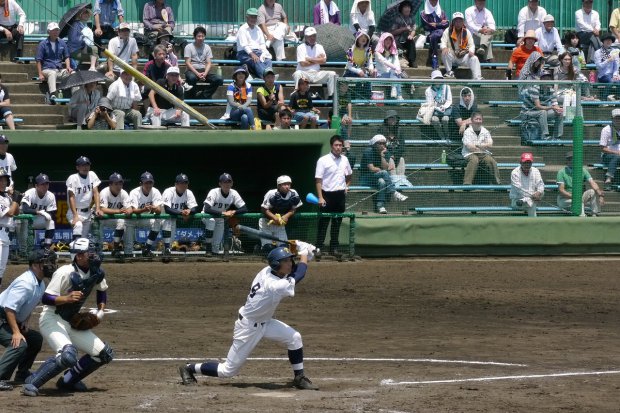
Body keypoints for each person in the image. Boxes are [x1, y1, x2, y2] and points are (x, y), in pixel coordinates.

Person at [178, 245, 319, 390]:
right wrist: (304, 255)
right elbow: (299, 274)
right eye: (286, 261)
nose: (290, 263)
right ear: (277, 265)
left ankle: (299, 377)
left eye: (290, 260)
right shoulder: (275, 285)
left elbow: (292, 272)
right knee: (227, 370)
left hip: (265, 322)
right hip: (248, 327)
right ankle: (189, 368)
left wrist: (304, 256)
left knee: (294, 338)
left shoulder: (267, 271)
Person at [22, 238, 113, 397]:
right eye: (89, 253)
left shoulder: (96, 270)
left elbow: (101, 289)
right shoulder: (64, 272)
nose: (94, 255)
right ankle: (32, 382)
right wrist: (66, 298)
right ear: (78, 256)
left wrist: (101, 311)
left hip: (71, 321)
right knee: (68, 355)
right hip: (52, 319)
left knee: (103, 354)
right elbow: (46, 298)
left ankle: (68, 381)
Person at [0, 249, 57, 391]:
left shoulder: (40, 283)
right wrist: (16, 332)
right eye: (47, 262)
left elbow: (31, 304)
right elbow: (9, 309)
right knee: (19, 344)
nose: (51, 265)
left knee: (35, 339)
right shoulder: (25, 283)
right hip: (2, 317)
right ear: (35, 265)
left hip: (8, 318)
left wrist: (25, 320)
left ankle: (22, 374)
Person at [315, 135, 352, 256]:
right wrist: (320, 197)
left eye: (340, 145)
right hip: (326, 195)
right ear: (331, 146)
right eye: (336, 145)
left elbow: (349, 175)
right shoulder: (323, 160)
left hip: (340, 195)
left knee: (337, 224)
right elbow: (318, 180)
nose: (338, 147)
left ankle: (334, 249)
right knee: (323, 223)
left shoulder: (345, 160)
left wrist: (347, 186)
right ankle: (318, 248)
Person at [519, 54, 563, 140]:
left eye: (549, 78)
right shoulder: (535, 89)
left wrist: (558, 108)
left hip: (540, 112)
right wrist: (552, 107)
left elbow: (555, 103)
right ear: (541, 79)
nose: (547, 80)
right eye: (545, 78)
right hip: (528, 112)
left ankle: (557, 136)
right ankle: (545, 136)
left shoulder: (551, 90)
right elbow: (538, 106)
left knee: (559, 113)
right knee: (542, 112)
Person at [202, 173, 247, 255]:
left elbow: (244, 208)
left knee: (216, 244)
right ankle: (208, 248)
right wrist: (223, 213)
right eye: (224, 182)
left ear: (232, 183)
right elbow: (207, 209)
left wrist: (234, 212)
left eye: (229, 181)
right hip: (207, 215)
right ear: (220, 184)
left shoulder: (233, 193)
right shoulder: (214, 192)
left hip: (220, 217)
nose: (227, 184)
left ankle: (213, 255)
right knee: (211, 222)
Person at [361, 134, 408, 214]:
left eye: (383, 143)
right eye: (380, 143)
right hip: (366, 177)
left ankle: (380, 206)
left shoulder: (384, 152)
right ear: (374, 144)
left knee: (382, 181)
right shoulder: (368, 151)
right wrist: (379, 169)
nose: (382, 145)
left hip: (378, 177)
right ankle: (393, 192)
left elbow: (387, 167)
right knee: (383, 173)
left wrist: (382, 156)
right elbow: (371, 169)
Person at [160, 174, 199, 261]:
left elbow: (195, 208)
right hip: (161, 216)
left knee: (171, 237)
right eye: (181, 183)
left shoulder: (188, 192)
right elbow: (167, 209)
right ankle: (149, 250)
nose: (183, 185)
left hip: (174, 216)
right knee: (163, 226)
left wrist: (189, 211)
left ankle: (166, 252)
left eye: (185, 182)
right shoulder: (169, 191)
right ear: (176, 184)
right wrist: (181, 212)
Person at [258, 176, 302, 254]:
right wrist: (274, 217)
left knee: (283, 248)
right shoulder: (271, 193)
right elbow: (264, 209)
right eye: (284, 184)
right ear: (278, 185)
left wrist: (286, 216)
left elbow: (294, 208)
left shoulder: (293, 193)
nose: (287, 186)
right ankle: (259, 250)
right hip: (266, 222)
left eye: (288, 184)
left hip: (280, 224)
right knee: (268, 248)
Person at [293, 26, 337, 100]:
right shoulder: (300, 47)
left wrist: (310, 59)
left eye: (314, 36)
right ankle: (297, 94)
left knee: (332, 74)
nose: (312, 38)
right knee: (297, 73)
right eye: (310, 36)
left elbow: (324, 61)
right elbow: (302, 64)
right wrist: (317, 60)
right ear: (306, 37)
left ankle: (331, 96)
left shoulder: (320, 46)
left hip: (317, 73)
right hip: (304, 73)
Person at [66, 156, 102, 240]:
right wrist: (75, 215)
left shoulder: (92, 175)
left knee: (83, 239)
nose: (85, 167)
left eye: (87, 165)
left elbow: (96, 193)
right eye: (82, 165)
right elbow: (71, 197)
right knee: (78, 226)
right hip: (74, 211)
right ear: (77, 167)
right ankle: (75, 251)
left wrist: (97, 208)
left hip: (87, 211)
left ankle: (77, 251)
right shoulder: (72, 178)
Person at [557, 151, 604, 216]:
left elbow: (592, 183)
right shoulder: (561, 172)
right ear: (567, 161)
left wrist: (600, 195)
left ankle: (595, 214)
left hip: (579, 197)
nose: (572, 160)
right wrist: (574, 197)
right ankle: (582, 218)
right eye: (569, 159)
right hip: (564, 199)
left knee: (592, 191)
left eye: (574, 159)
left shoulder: (583, 170)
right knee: (578, 202)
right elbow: (561, 190)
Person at [18, 173, 56, 252]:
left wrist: (47, 215)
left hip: (37, 220)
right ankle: (23, 251)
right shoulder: (30, 192)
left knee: (51, 222)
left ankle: (46, 248)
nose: (45, 186)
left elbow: (51, 213)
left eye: (47, 184)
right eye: (42, 184)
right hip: (23, 219)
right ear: (36, 185)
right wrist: (39, 212)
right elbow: (25, 209)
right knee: (23, 222)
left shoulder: (51, 196)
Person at [35, 22, 72, 104]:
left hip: (59, 70)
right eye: (53, 30)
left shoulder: (62, 42)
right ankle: (53, 94)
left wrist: (68, 66)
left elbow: (66, 56)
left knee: (73, 73)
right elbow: (38, 60)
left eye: (57, 30)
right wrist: (40, 74)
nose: (56, 32)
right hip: (46, 69)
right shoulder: (43, 44)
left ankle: (76, 94)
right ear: (49, 32)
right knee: (52, 73)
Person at [183, 26, 223, 99]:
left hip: (204, 71)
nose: (201, 38)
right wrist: (197, 74)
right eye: (199, 36)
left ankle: (203, 96)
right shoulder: (188, 47)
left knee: (218, 79)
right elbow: (188, 63)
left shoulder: (207, 47)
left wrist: (205, 73)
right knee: (191, 78)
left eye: (203, 36)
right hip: (192, 70)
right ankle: (192, 97)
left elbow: (208, 63)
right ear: (194, 37)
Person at [440, 12, 482, 80]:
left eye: (460, 21)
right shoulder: (447, 31)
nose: (458, 23)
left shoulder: (467, 32)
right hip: (452, 55)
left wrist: (471, 51)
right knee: (445, 52)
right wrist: (444, 48)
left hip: (463, 56)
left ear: (463, 22)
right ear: (453, 22)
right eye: (456, 21)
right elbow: (443, 42)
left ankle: (477, 78)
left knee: (474, 58)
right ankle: (449, 72)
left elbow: (471, 45)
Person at [98, 172, 131, 259]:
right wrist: (118, 211)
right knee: (99, 235)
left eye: (120, 183)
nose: (118, 186)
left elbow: (129, 208)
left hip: (113, 217)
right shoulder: (104, 192)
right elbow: (102, 209)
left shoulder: (123, 193)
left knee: (121, 222)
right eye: (116, 184)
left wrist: (129, 211)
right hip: (100, 218)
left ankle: (115, 249)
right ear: (110, 184)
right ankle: (98, 252)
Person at [461, 112, 500, 185]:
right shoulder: (467, 132)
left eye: (480, 119)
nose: (478, 121)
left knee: (491, 161)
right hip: (469, 153)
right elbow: (470, 148)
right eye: (476, 119)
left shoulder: (485, 131)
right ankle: (467, 183)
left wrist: (477, 145)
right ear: (472, 120)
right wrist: (483, 146)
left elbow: (490, 145)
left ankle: (497, 183)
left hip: (483, 153)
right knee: (474, 160)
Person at [237, 8, 273, 79]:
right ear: (247, 17)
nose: (253, 19)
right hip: (244, 53)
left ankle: (268, 76)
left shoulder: (258, 29)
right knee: (256, 60)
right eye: (252, 17)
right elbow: (244, 45)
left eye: (255, 17)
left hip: (258, 51)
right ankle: (267, 77)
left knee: (268, 60)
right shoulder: (242, 29)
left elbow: (262, 44)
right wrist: (252, 54)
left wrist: (265, 53)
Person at [0, 169, 20, 286]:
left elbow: (16, 212)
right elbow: (11, 213)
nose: (2, 183)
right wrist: (16, 200)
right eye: (0, 180)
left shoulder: (7, 197)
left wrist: (16, 200)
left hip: (6, 235)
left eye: (4, 180)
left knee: (1, 270)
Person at [510, 152, 544, 217]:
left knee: (541, 192)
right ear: (520, 162)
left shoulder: (535, 170)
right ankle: (534, 223)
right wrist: (533, 196)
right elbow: (519, 190)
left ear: (531, 163)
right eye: (525, 162)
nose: (527, 165)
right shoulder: (515, 172)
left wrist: (538, 192)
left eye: (529, 162)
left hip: (532, 198)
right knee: (531, 205)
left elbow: (541, 185)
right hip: (517, 200)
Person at [66, 5, 98, 71]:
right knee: (95, 53)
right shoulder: (75, 24)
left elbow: (88, 41)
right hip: (74, 51)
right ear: (80, 14)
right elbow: (73, 40)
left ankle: (93, 68)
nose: (87, 14)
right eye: (85, 13)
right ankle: (92, 68)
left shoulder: (84, 24)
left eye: (88, 13)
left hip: (82, 49)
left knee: (95, 51)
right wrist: (83, 36)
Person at [375, 32, 404, 100]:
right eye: (386, 39)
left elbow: (397, 63)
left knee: (396, 73)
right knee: (395, 72)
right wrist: (395, 68)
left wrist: (398, 69)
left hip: (392, 74)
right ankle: (399, 95)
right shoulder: (377, 52)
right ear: (383, 40)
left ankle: (397, 92)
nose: (388, 41)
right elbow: (384, 62)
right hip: (381, 75)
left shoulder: (394, 52)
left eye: (390, 40)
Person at [389, 0, 417, 68]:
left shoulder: (411, 17)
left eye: (409, 7)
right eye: (405, 7)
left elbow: (414, 29)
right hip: (397, 40)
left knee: (411, 42)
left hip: (406, 39)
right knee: (396, 43)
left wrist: (411, 35)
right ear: (401, 9)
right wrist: (403, 29)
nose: (407, 9)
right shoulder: (397, 18)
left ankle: (412, 61)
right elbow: (392, 32)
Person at [420, 0, 448, 68]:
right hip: (430, 35)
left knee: (439, 33)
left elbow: (447, 23)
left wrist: (436, 24)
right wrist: (440, 24)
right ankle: (434, 57)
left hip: (441, 35)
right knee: (434, 35)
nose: (433, 3)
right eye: (431, 1)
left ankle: (434, 57)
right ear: (428, 1)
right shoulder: (423, 13)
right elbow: (426, 26)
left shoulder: (442, 12)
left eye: (435, 1)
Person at [425, 70, 452, 140]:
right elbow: (430, 103)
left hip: (445, 110)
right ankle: (442, 136)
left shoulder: (447, 87)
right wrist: (438, 108)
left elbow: (449, 100)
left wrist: (444, 107)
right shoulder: (428, 90)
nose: (438, 80)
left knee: (445, 119)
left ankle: (447, 136)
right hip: (434, 111)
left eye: (439, 78)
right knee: (434, 120)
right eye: (436, 78)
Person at [378, 110, 406, 175]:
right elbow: (380, 147)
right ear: (387, 120)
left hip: (397, 157)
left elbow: (402, 147)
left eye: (394, 118)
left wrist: (395, 156)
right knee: (390, 161)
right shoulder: (381, 131)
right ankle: (393, 181)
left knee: (401, 159)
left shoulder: (400, 131)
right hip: (385, 158)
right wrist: (389, 156)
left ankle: (400, 181)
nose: (393, 120)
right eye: (390, 118)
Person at [599, 109, 620, 191]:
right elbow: (602, 148)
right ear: (612, 119)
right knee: (616, 157)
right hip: (607, 156)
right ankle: (608, 179)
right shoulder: (606, 130)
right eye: (617, 118)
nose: (619, 120)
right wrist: (617, 152)